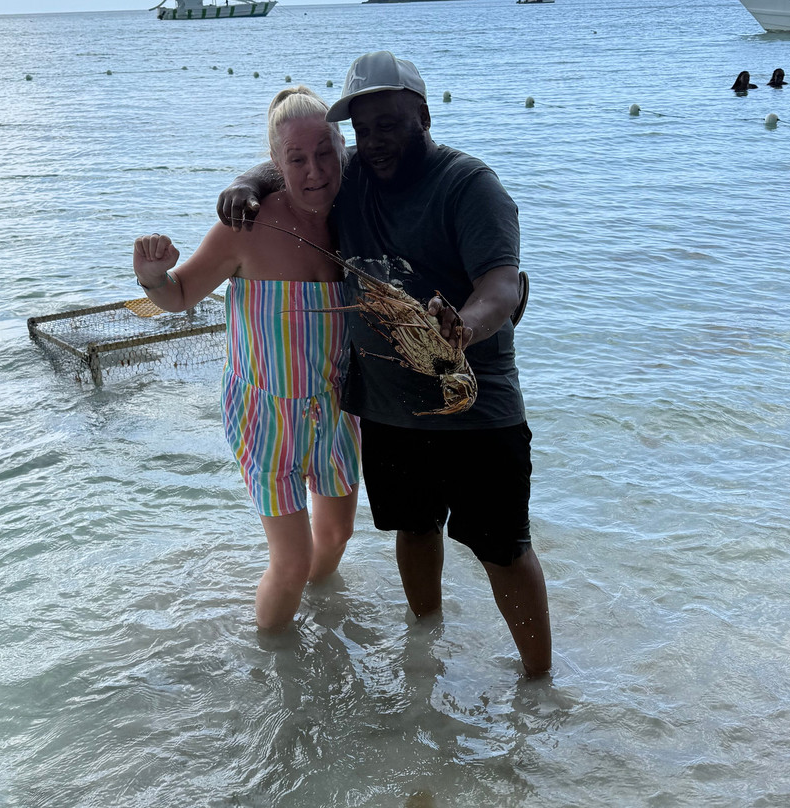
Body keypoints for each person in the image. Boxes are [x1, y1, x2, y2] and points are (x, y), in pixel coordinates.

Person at [218, 51, 552, 677]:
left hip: (478, 405)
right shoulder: (353, 177)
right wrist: (246, 183)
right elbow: (296, 162)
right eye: (363, 128)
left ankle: (540, 687)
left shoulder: (469, 185)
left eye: (390, 124)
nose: (374, 141)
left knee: (504, 549)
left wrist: (462, 327)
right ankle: (425, 659)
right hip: (390, 410)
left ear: (423, 116)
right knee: (414, 530)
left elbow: (504, 286)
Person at [133, 86, 360, 632]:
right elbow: (179, 296)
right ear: (277, 163)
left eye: (325, 153)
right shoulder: (246, 227)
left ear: (342, 148)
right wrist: (152, 277)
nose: (314, 171)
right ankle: (271, 660)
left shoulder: (357, 213)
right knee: (292, 561)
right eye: (297, 159)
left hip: (336, 408)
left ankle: (321, 622)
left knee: (336, 536)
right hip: (266, 415)